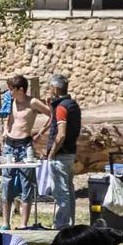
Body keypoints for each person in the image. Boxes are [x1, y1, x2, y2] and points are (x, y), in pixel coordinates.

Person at [1, 76, 49, 231]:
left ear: (20, 89)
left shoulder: (33, 102)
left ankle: (23, 224)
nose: (9, 92)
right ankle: (5, 222)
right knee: (6, 182)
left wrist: (40, 132)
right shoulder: (10, 100)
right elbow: (8, 117)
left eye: (11, 89)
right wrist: (5, 130)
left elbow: (52, 115)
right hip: (9, 144)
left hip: (24, 145)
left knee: (26, 182)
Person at [41, 74, 82, 229]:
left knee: (61, 192)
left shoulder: (62, 107)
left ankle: (61, 225)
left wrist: (52, 152)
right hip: (70, 152)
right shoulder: (72, 104)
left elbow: (61, 133)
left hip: (61, 154)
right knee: (69, 190)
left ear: (54, 88)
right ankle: (69, 223)